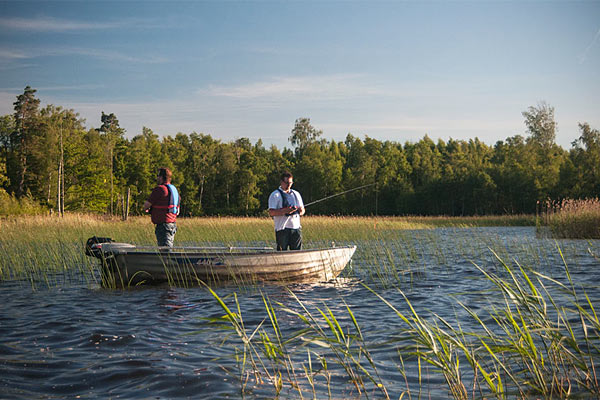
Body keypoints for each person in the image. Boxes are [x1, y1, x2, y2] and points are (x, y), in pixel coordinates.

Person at [143, 167, 180, 248]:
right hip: (172, 224)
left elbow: (146, 205)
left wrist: (148, 208)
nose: (157, 178)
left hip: (163, 226)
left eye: (158, 176)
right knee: (167, 248)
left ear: (162, 177)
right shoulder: (174, 190)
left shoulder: (159, 189)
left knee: (165, 252)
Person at [268, 171, 305, 251]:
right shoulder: (275, 195)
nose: (289, 185)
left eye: (291, 183)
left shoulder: (296, 194)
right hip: (282, 229)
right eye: (287, 182)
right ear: (281, 182)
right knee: (282, 252)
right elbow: (271, 212)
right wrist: (285, 211)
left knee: (297, 252)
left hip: (296, 228)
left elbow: (302, 211)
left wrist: (300, 211)